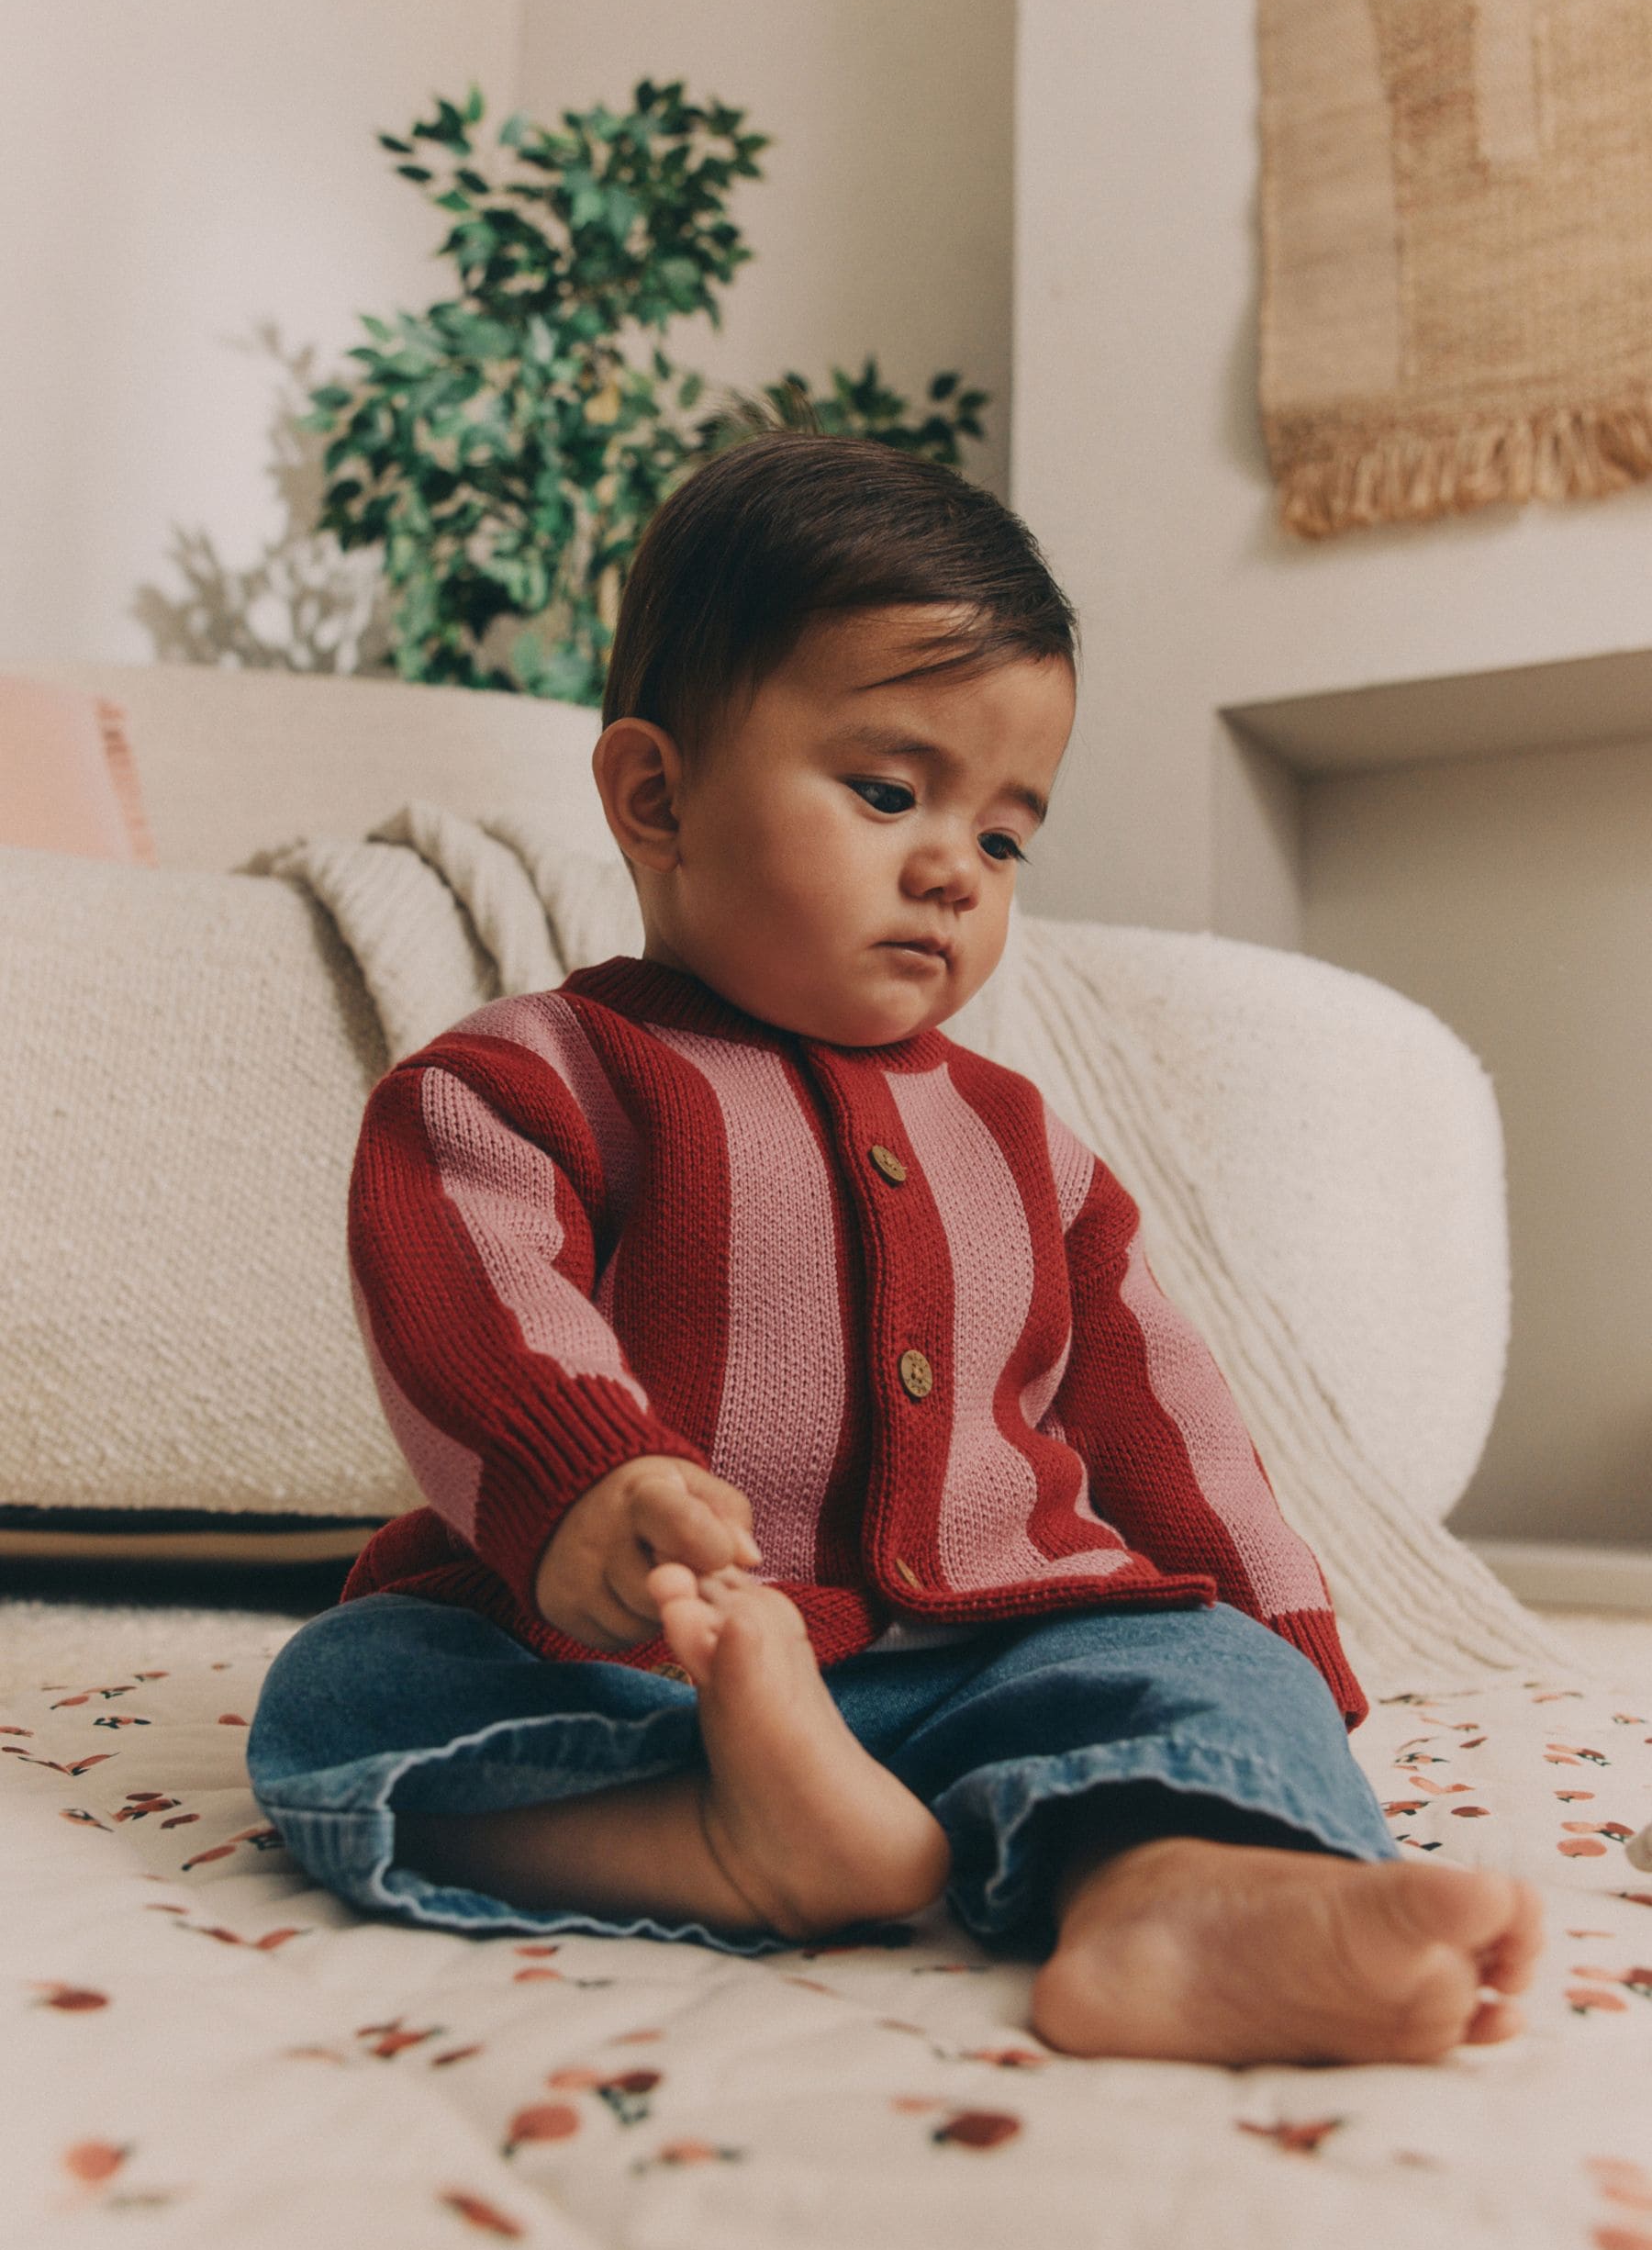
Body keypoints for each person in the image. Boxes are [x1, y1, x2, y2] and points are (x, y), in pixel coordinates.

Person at [249, 431, 1543, 2064]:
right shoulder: (527, 1081)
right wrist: (588, 1486)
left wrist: (1276, 1636)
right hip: (662, 1655)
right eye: (887, 791)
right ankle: (717, 1840)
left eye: (1005, 838)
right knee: (347, 1692)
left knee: (1195, 1668)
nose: (953, 869)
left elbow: (1162, 1408)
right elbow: (472, 1290)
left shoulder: (1029, 1144)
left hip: (1007, 1639)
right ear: (657, 797)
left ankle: (1181, 1901)